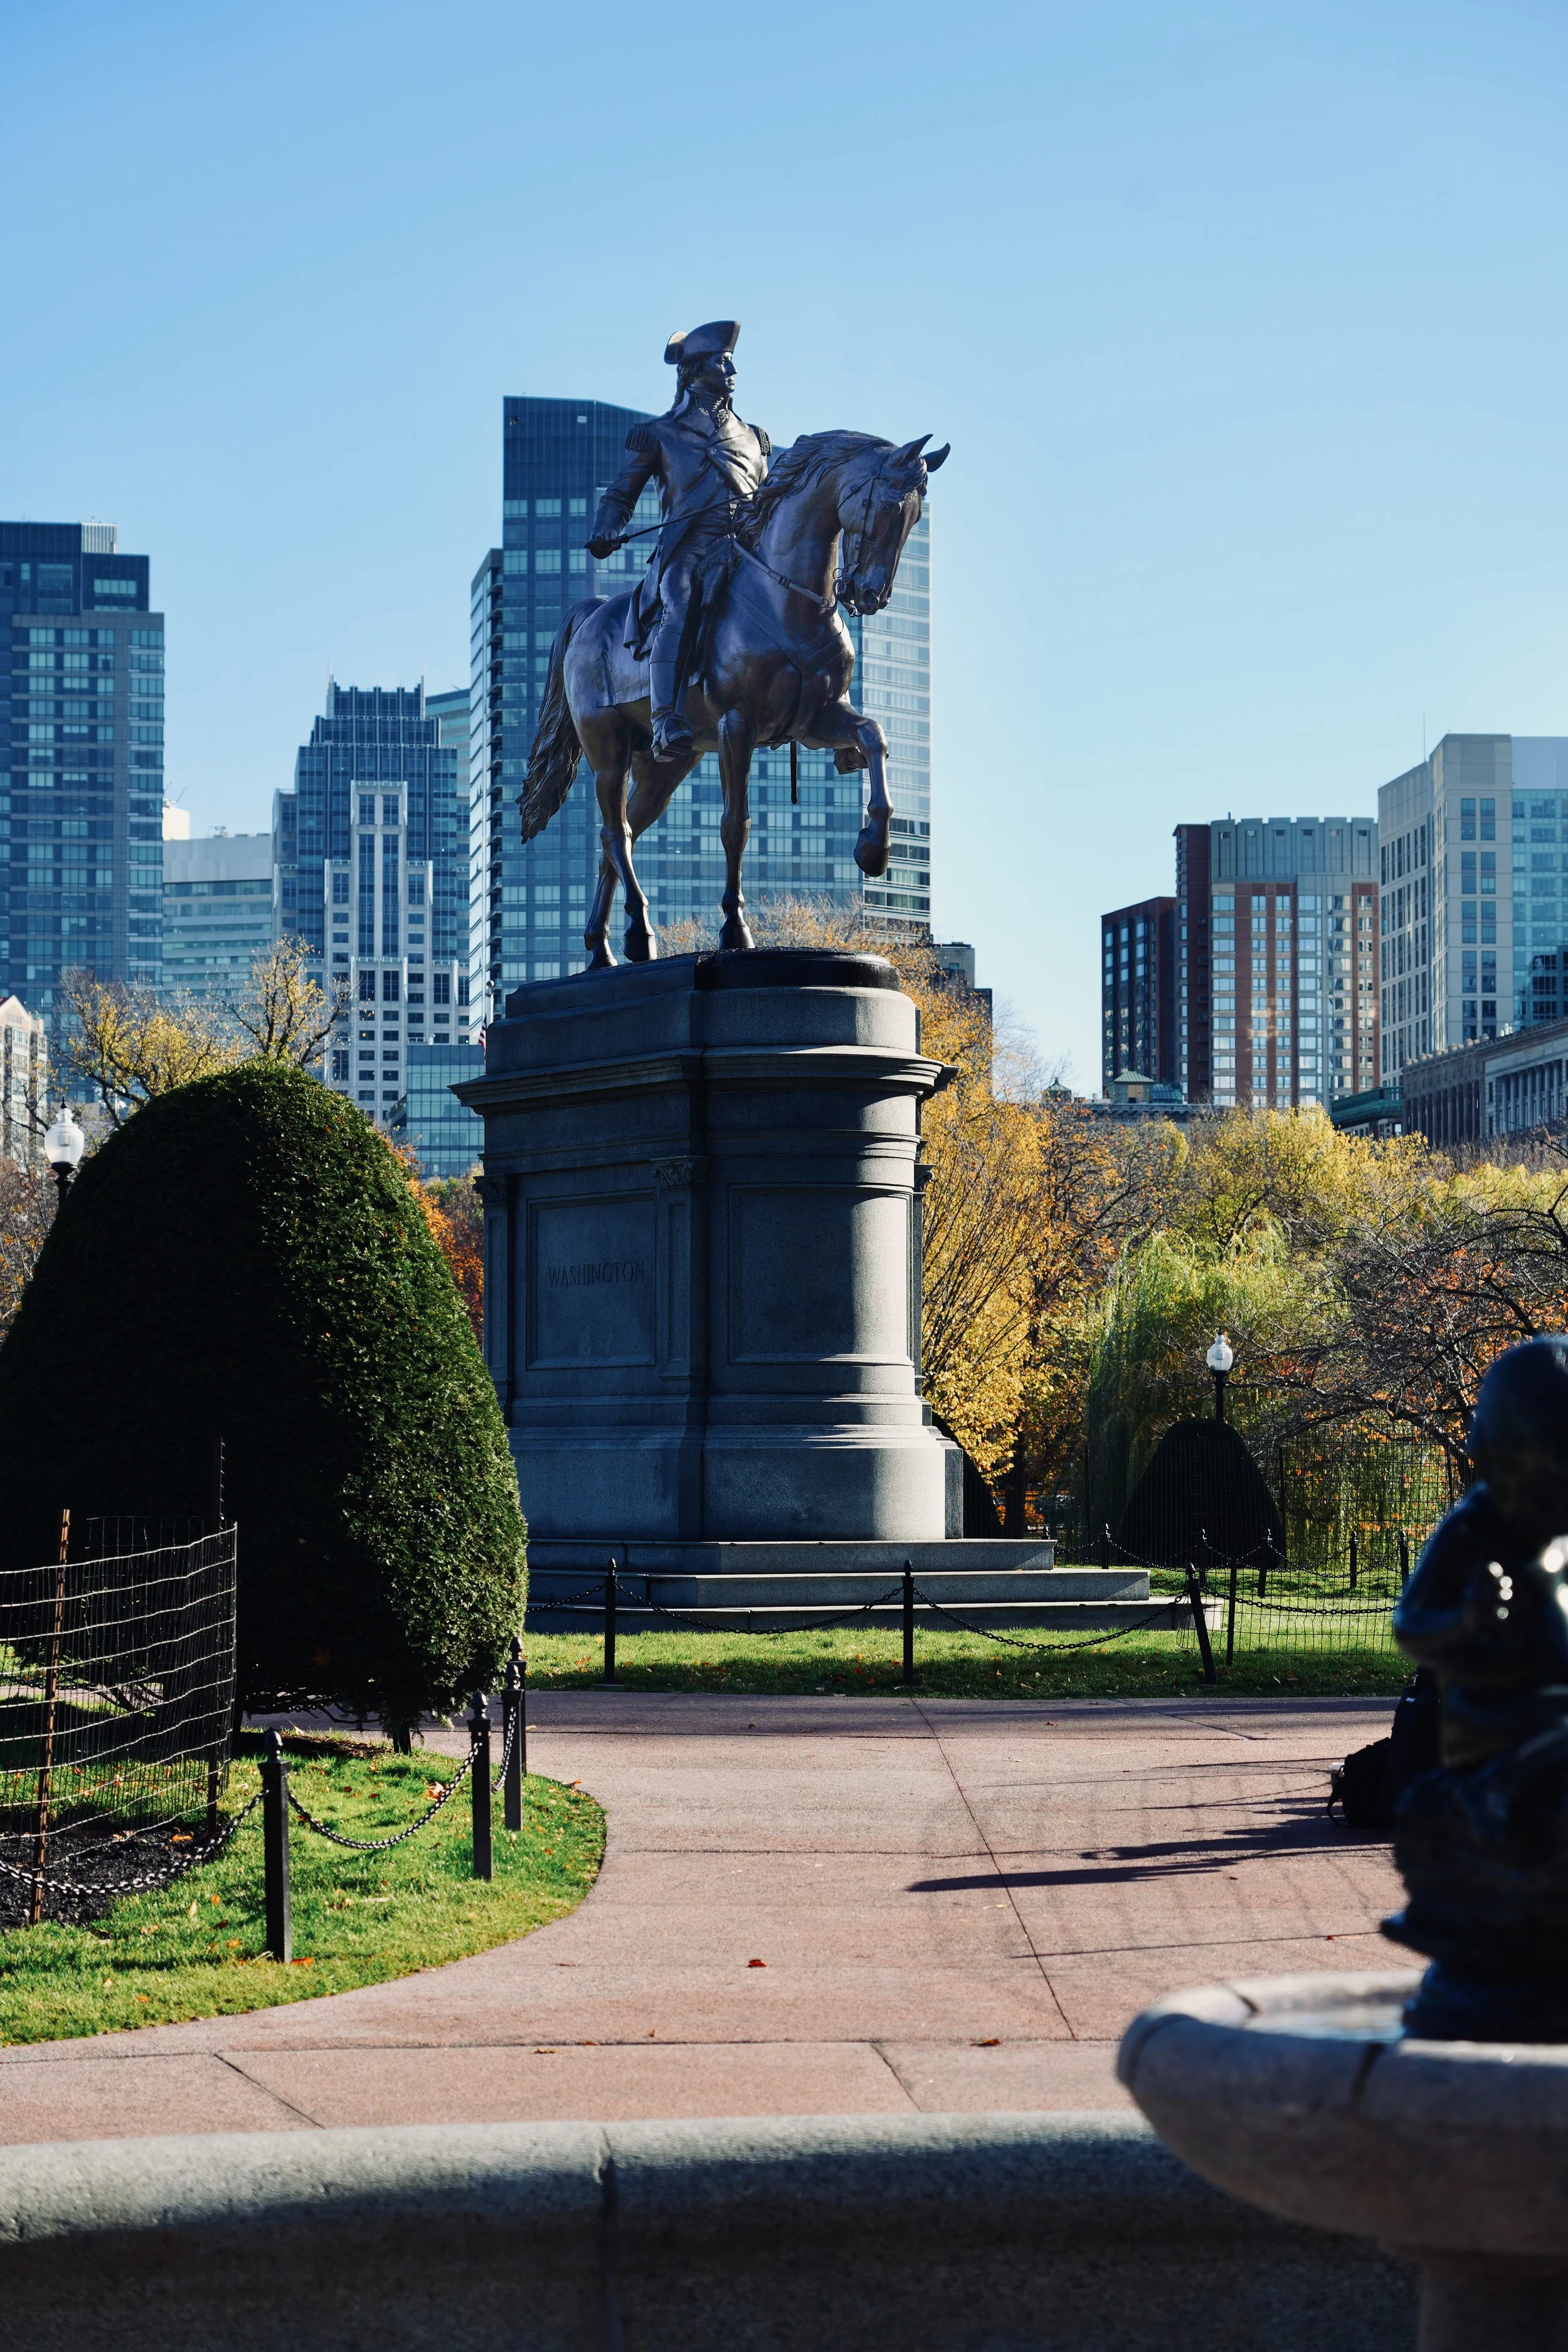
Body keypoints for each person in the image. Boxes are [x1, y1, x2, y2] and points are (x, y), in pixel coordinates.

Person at [586, 320, 771, 760]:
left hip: (744, 550)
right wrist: (606, 528)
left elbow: (768, 501)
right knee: (682, 602)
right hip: (689, 549)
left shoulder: (754, 439)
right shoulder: (661, 434)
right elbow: (620, 494)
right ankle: (665, 717)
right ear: (697, 370)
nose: (734, 370)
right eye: (724, 362)